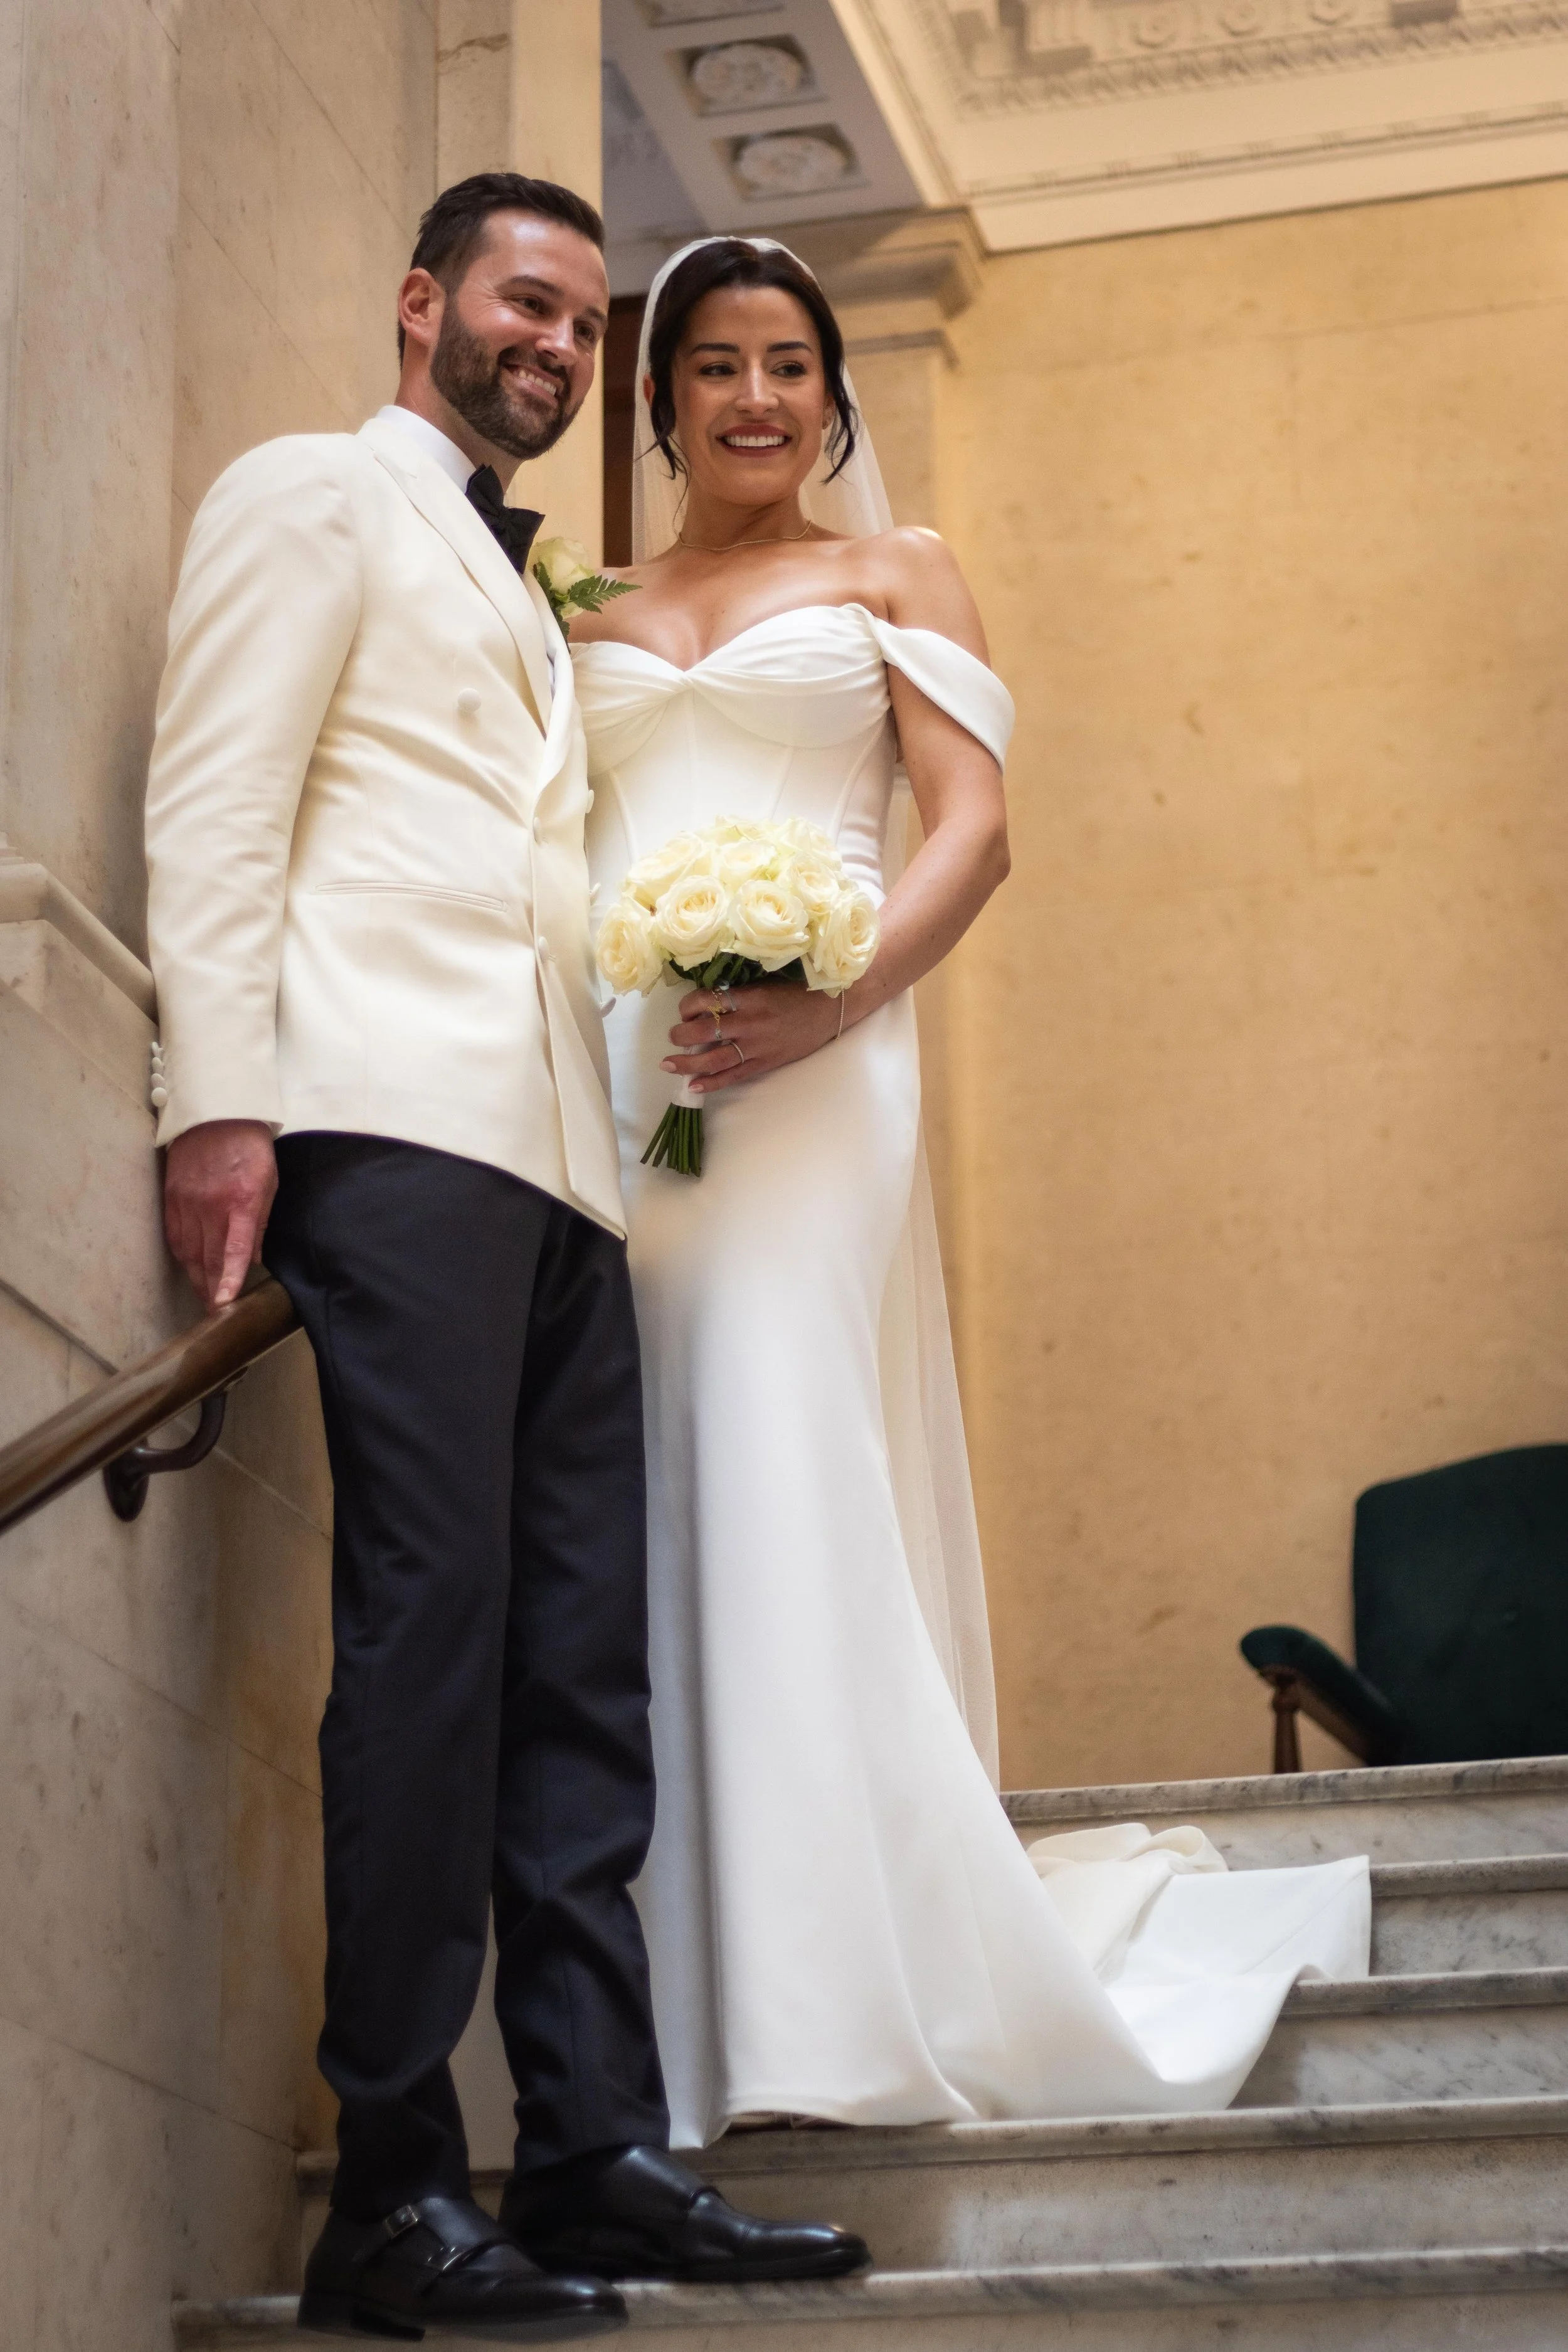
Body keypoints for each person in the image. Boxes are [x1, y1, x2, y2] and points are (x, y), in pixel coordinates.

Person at [144, 179, 866, 2343]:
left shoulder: (530, 568)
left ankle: (586, 2144)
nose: (553, 345)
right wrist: (217, 1102)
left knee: (578, 1664)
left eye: (576, 321)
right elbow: (217, 795)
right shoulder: (311, 496)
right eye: (521, 305)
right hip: (394, 1132)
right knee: (433, 1639)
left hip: (564, 1167)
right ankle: (383, 2182)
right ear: (422, 307)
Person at [568, 236, 1370, 2149]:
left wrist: (823, 1000)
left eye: (786, 364)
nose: (752, 397)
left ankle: (817, 2010)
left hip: (818, 1072)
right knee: (641, 1483)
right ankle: (657, 2015)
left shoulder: (891, 571)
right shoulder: (579, 599)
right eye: (713, 366)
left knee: (773, 1443)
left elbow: (976, 827)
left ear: (826, 392)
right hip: (616, 1076)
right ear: (660, 394)